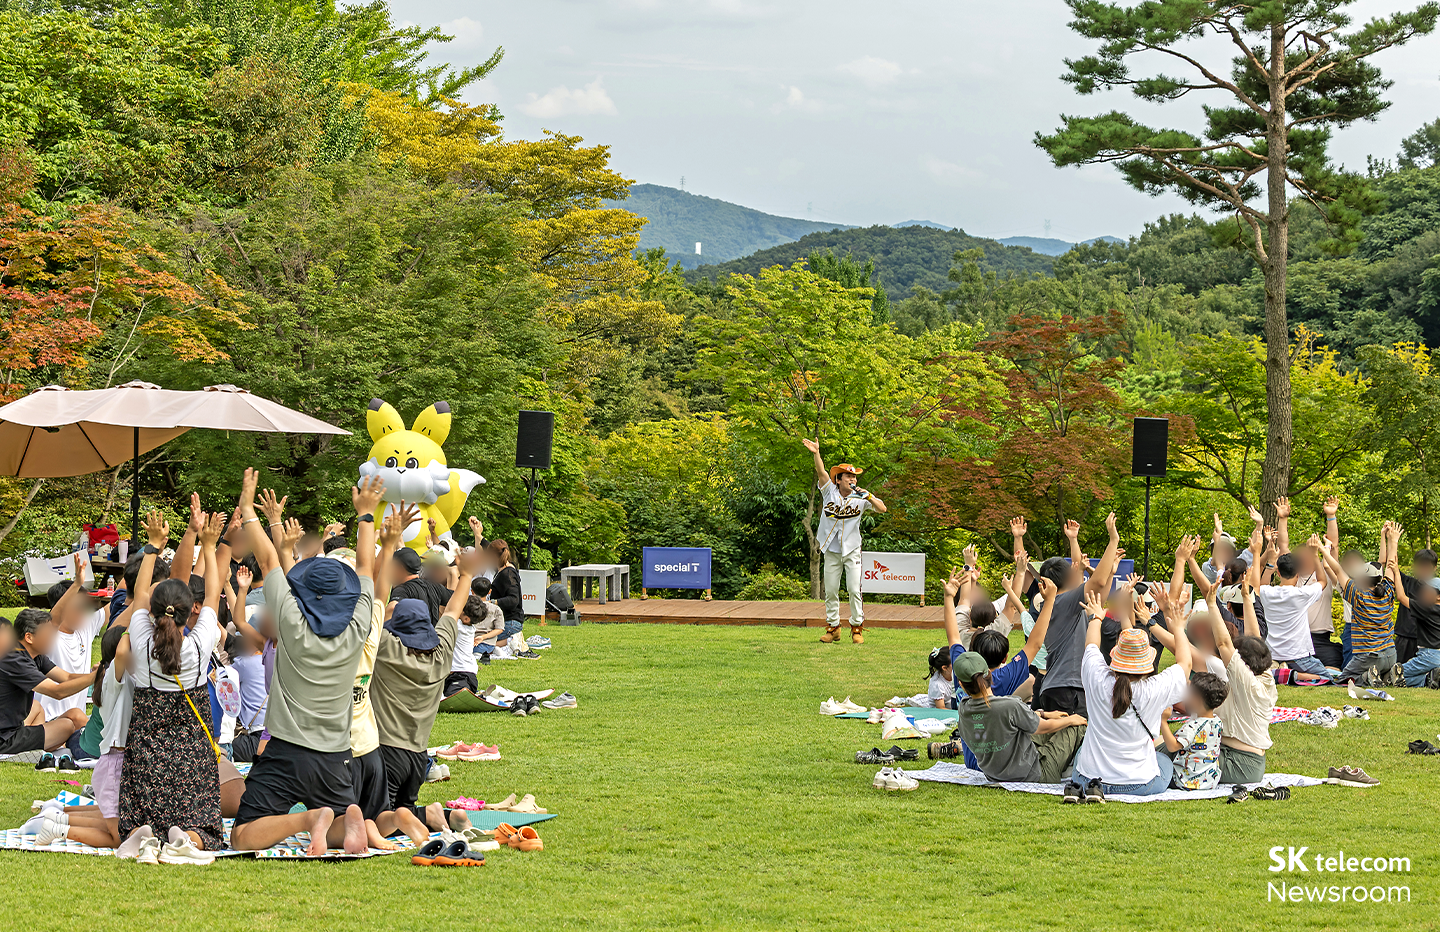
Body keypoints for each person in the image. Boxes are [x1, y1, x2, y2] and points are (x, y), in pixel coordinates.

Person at [230, 469, 383, 856]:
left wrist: (252, 510)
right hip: (336, 754)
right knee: (336, 820)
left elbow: (267, 559)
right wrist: (366, 513)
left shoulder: (291, 621)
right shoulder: (357, 622)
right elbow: (366, 566)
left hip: (285, 749)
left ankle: (307, 820)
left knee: (242, 834)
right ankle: (345, 819)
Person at [119, 509, 226, 853]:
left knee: (140, 812)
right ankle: (186, 837)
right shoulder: (198, 645)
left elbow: (137, 594)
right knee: (201, 823)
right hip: (192, 755)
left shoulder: (141, 636)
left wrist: (152, 545)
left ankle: (145, 832)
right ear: (187, 610)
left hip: (147, 753)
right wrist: (209, 547)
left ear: (153, 609)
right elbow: (212, 595)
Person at [371, 549, 478, 832]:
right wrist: (466, 575)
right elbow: (454, 610)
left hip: (386, 751)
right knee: (399, 810)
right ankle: (435, 814)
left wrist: (387, 541)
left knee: (374, 820)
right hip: (419, 756)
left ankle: (428, 815)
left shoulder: (389, 649)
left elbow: (373, 608)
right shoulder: (441, 653)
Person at [1069, 582, 1192, 800]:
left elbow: (1091, 646)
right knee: (1163, 761)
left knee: (1081, 753)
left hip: (1088, 780)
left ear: (1115, 658)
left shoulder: (1097, 676)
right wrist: (1179, 628)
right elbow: (1185, 663)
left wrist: (1096, 617)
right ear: (1147, 664)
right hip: (1138, 783)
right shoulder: (1156, 688)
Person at [929, 564, 1060, 769]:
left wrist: (948, 597)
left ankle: (955, 746)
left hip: (972, 761)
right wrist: (1050, 599)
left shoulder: (963, 667)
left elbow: (953, 635)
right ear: (1004, 658)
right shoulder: (1003, 677)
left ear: (972, 649)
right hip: (996, 762)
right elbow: (1034, 644)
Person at [1032, 512, 1122, 717]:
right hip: (1067, 690)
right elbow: (1095, 583)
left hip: (1061, 688)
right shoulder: (1064, 602)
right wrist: (1113, 541)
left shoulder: (1058, 602)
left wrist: (1073, 539)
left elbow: (1099, 594)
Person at [801, 437, 888, 644]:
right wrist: (816, 453)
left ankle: (856, 628)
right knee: (830, 590)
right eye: (848, 476)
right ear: (838, 479)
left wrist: (868, 496)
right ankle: (833, 629)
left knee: (853, 589)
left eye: (854, 476)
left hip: (852, 549)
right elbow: (822, 472)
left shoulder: (861, 497)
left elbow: (882, 509)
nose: (852, 479)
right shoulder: (829, 490)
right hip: (831, 548)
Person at [1203, 562, 1277, 784]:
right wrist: (1247, 598)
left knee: (1172, 758)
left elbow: (1224, 643)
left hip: (1239, 764)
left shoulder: (1247, 681)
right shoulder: (1264, 675)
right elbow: (1255, 638)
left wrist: (1212, 605)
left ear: (1243, 662)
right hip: (1242, 760)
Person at [0, 609, 94, 757]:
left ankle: (41, 744)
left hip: (15, 727)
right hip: (5, 738)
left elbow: (67, 677)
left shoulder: (35, 655)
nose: (53, 638)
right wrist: (97, 677)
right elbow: (57, 692)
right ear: (29, 637)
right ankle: (98, 748)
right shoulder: (14, 659)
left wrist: (97, 674)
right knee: (68, 725)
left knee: (38, 707)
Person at [1317, 524, 1402, 686]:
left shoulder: (1358, 595)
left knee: (1343, 680)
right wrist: (1393, 540)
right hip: (1391, 654)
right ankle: (1388, 676)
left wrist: (1322, 549)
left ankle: (1367, 677)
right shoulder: (1388, 590)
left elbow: (1337, 568)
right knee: (1374, 669)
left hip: (1369, 656)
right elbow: (1390, 563)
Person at [1159, 671, 1228, 790]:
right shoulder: (1217, 722)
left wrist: (1163, 722)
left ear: (1197, 699)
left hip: (1183, 780)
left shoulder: (1193, 727)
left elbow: (1173, 747)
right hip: (1209, 781)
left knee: (1159, 760)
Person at [486, 539, 533, 658]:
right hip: (507, 621)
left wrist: (492, 602)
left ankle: (512, 641)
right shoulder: (503, 569)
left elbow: (513, 599)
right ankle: (509, 642)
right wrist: (477, 534)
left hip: (510, 622)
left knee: (482, 643)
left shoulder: (507, 573)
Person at [1396, 574, 1440, 688]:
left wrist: (1396, 572)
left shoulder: (1428, 608)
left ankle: (1429, 678)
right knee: (1403, 679)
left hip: (1428, 655)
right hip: (1437, 656)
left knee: (1393, 674)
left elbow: (1401, 597)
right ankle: (1429, 679)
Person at [1395, 546, 1436, 665]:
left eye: (1427, 566)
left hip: (1426, 643)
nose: (1423, 570)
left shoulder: (1436, 591)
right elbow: (1391, 565)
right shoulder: (1407, 582)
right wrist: (1392, 540)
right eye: (1420, 565)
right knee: (1399, 674)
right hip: (1404, 638)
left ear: (1434, 568)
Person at [467, 579, 505, 665]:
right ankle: (491, 651)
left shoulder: (467, 607)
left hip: (470, 641)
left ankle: (479, 655)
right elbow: (500, 629)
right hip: (489, 643)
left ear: (472, 591)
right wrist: (484, 637)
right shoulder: (496, 609)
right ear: (489, 591)